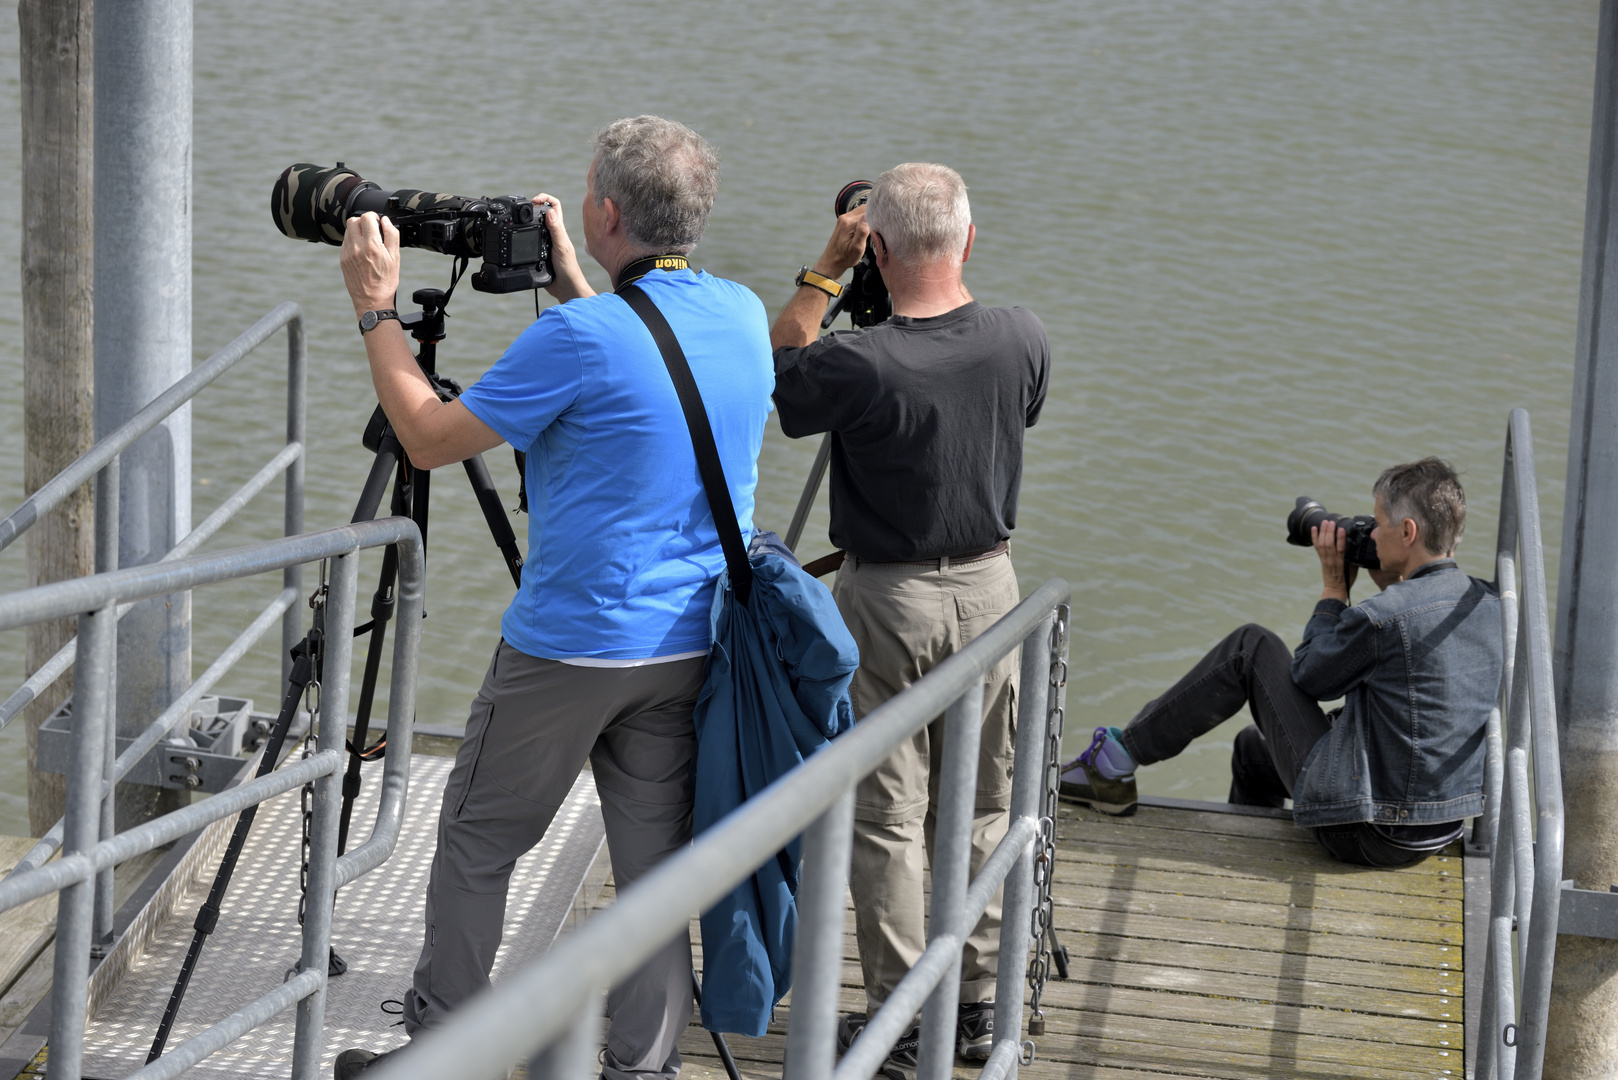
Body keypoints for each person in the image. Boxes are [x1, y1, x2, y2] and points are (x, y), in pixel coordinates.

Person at [331, 116, 774, 1080]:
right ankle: (639, 1066)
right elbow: (645, 358)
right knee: (655, 873)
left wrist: (377, 311)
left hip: (570, 650)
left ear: (606, 209)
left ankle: (440, 1054)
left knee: (479, 839)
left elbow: (428, 436)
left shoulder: (578, 340)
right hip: (689, 643)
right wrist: (579, 272)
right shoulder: (741, 313)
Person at [770, 162, 1050, 1077]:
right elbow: (1020, 415)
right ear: (969, 240)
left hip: (888, 598)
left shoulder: (858, 360)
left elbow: (782, 377)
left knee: (888, 813)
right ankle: (978, 1007)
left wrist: (825, 268)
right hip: (994, 591)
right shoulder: (1020, 336)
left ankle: (903, 1011)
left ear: (876, 248)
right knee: (986, 801)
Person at [1061, 458, 1503, 867]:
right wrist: (1394, 581)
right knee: (1252, 752)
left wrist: (1334, 587)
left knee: (1250, 647)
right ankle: (1250, 854)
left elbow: (1311, 678)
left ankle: (1111, 765)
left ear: (1407, 532)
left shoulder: (1387, 616)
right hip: (1437, 829)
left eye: (1379, 524)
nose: (1371, 535)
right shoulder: (1487, 603)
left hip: (1370, 832)